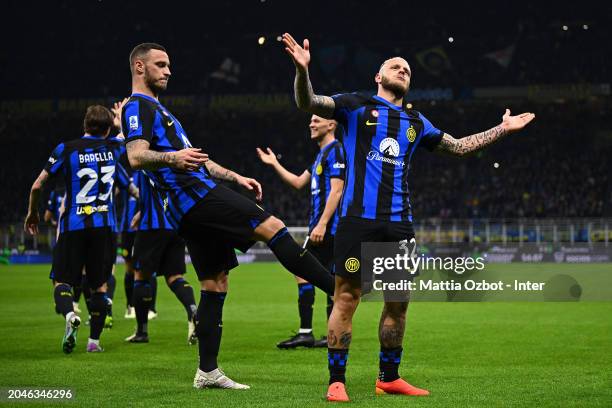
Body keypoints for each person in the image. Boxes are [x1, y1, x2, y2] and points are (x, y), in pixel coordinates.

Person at [282, 32, 536, 402]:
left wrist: (503, 129)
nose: (402, 69)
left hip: (398, 224)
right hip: (358, 220)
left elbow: (460, 147)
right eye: (394, 66)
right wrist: (302, 71)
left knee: (397, 303)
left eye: (407, 69)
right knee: (347, 298)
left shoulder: (417, 122)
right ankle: (336, 380)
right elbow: (308, 102)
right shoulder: (355, 105)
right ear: (378, 76)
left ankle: (389, 377)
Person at [121, 43, 335, 390]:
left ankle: (207, 371)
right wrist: (174, 158)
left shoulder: (161, 111)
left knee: (215, 282)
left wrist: (236, 177)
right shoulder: (137, 107)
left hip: (190, 205)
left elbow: (200, 159)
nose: (168, 71)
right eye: (160, 64)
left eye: (169, 64)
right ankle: (339, 290)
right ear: (139, 68)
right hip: (195, 197)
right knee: (274, 227)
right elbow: (135, 155)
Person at [24, 105, 128, 353]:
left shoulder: (66, 149)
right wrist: (120, 118)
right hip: (104, 228)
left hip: (73, 225)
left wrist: (33, 212)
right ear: (107, 129)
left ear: (84, 125)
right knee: (100, 287)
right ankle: (94, 342)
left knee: (61, 281)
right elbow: (126, 136)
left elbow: (37, 186)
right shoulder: (114, 147)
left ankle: (70, 314)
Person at [257, 115, 345, 349]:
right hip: (321, 227)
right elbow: (297, 182)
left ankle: (312, 332)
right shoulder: (320, 155)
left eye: (317, 120)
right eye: (310, 120)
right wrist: (274, 163)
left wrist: (323, 223)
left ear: (331, 125)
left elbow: (337, 190)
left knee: (305, 272)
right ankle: (327, 334)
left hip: (328, 228)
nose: (311, 124)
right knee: (327, 278)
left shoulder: (336, 150)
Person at [125, 169, 198, 345]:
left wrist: (142, 212)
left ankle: (142, 332)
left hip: (152, 226)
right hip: (175, 225)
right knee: (175, 277)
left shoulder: (145, 157)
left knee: (141, 276)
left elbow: (146, 194)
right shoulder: (178, 159)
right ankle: (193, 311)